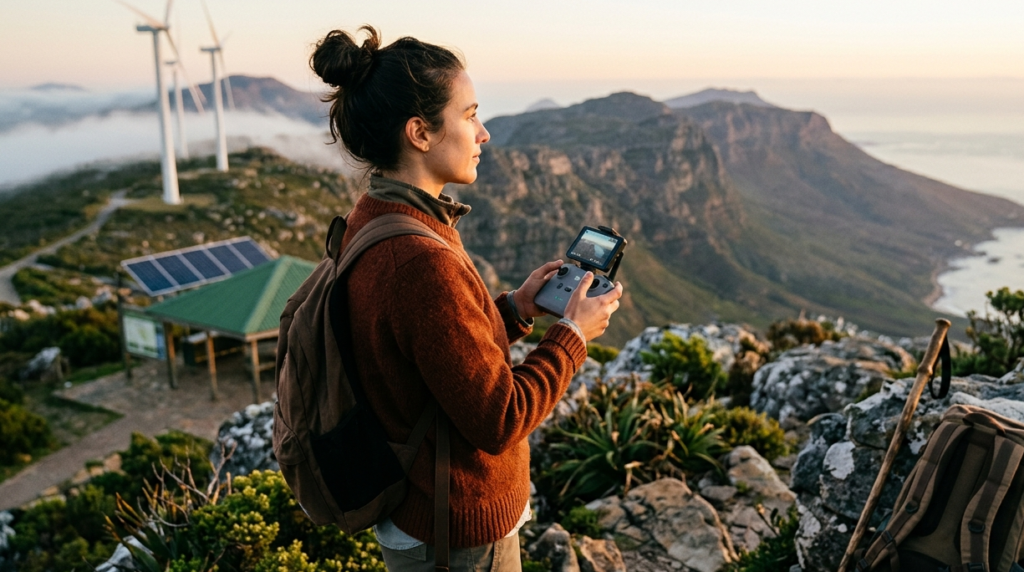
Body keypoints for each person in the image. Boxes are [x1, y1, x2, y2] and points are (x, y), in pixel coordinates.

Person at [309, 26, 623, 572]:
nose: (484, 132)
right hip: (455, 536)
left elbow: (429, 352)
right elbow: (499, 418)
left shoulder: (380, 216)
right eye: (470, 114)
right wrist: (571, 338)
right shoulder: (419, 259)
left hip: (427, 513)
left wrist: (514, 310)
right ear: (420, 133)